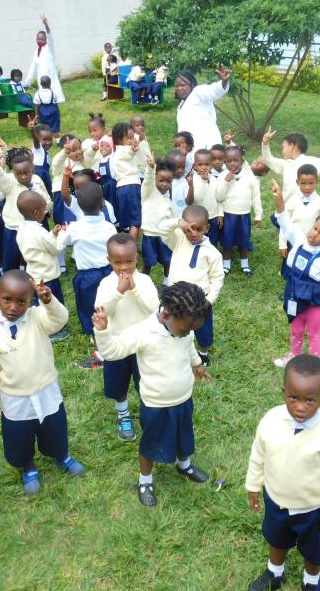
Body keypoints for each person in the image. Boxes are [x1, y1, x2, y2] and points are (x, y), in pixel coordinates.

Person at [92, 282, 212, 507]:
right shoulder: (144, 332)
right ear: (166, 314)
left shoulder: (185, 325)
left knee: (183, 436)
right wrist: (103, 331)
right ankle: (145, 481)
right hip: (156, 404)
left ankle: (183, 465)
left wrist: (197, 364)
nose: (188, 333)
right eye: (185, 329)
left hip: (184, 398)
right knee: (151, 444)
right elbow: (112, 351)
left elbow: (188, 346)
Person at [245, 355, 320, 591]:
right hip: (276, 499)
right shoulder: (271, 420)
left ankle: (311, 581)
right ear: (284, 392)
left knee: (315, 549)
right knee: (277, 539)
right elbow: (258, 453)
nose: (300, 406)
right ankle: (274, 572)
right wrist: (253, 484)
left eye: (310, 400)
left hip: (313, 508)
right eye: (293, 397)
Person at [0, 271, 85, 495]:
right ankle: (28, 467)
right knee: (19, 437)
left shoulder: (38, 317)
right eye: (7, 299)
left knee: (55, 429)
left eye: (21, 302)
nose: (13, 307)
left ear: (31, 301)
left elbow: (60, 320)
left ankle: (61, 456)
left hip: (46, 390)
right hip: (15, 399)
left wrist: (49, 302)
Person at [270, 180, 320, 367]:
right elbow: (284, 220)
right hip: (295, 296)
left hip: (315, 303)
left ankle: (313, 363)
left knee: (313, 333)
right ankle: (293, 356)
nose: (314, 234)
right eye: (315, 228)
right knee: (295, 329)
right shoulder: (300, 240)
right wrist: (279, 199)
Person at [95, 233, 160, 440]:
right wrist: (119, 292)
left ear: (137, 258)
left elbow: (153, 309)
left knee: (146, 383)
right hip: (117, 344)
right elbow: (102, 311)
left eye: (129, 261)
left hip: (143, 345)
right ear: (109, 261)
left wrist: (134, 291)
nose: (124, 267)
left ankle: (149, 415)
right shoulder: (106, 284)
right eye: (118, 262)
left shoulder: (145, 281)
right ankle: (123, 415)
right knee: (118, 385)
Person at [53, 183, 117, 366]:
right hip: (108, 272)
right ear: (102, 205)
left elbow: (59, 246)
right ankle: (112, 338)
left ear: (78, 207)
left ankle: (101, 353)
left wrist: (61, 233)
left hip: (87, 277)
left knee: (91, 310)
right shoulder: (109, 227)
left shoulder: (74, 228)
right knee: (109, 307)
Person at [159, 205, 224, 366]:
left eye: (198, 229)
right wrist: (177, 222)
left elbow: (217, 279)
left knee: (204, 331)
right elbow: (162, 229)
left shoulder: (213, 253)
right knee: (171, 326)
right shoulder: (178, 240)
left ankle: (203, 353)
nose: (193, 233)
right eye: (188, 229)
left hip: (200, 302)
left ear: (207, 228)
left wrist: (209, 300)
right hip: (176, 299)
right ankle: (173, 350)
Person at [15, 190, 69, 342]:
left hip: (35, 273)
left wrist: (52, 233)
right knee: (52, 302)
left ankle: (47, 325)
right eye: (44, 210)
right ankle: (53, 330)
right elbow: (56, 248)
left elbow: (43, 244)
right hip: (48, 275)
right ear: (36, 212)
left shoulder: (23, 229)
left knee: (41, 302)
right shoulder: (38, 232)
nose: (45, 212)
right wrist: (63, 234)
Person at [0, 148, 51, 271]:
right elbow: (1, 177)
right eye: (19, 174)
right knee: (11, 256)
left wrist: (33, 187)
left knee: (31, 255)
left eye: (26, 173)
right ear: (13, 173)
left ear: (32, 170)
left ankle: (28, 272)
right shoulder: (10, 181)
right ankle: (10, 276)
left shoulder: (37, 181)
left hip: (32, 228)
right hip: (13, 228)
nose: (23, 176)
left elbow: (47, 202)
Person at [261, 127, 320, 204]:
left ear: (292, 146)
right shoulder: (285, 165)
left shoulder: (310, 161)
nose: (282, 151)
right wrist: (265, 144)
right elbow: (268, 160)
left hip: (306, 205)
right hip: (288, 206)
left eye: (283, 147)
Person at [216, 145, 262, 276]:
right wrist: (226, 182)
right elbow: (218, 197)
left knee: (244, 241)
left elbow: (256, 196)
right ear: (225, 161)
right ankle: (226, 265)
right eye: (229, 161)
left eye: (235, 160)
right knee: (227, 241)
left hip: (243, 215)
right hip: (229, 214)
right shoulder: (222, 177)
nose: (232, 164)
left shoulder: (249, 177)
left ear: (242, 160)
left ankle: (245, 265)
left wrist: (258, 214)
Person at [278, 164, 320, 278]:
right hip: (292, 239)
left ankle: (304, 276)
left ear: (317, 181)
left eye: (311, 183)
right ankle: (289, 279)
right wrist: (282, 244)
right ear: (297, 182)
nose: (307, 187)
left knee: (306, 262)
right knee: (290, 261)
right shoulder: (292, 201)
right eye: (303, 183)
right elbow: (284, 223)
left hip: (312, 240)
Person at [175, 65, 231, 150]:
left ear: (192, 84)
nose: (179, 88)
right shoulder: (181, 104)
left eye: (183, 85)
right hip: (190, 151)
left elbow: (214, 90)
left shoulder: (199, 92)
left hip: (208, 149)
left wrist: (224, 82)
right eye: (177, 86)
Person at [139, 155, 175, 286]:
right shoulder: (148, 193)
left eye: (168, 181)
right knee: (148, 262)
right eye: (161, 180)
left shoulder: (168, 199)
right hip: (150, 236)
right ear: (155, 178)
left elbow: (172, 217)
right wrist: (150, 168)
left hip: (165, 236)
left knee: (168, 260)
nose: (165, 184)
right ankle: (143, 283)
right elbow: (147, 181)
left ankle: (167, 281)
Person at [111, 122, 144, 240]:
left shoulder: (117, 152)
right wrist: (133, 148)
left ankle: (129, 244)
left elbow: (132, 146)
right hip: (131, 187)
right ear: (120, 140)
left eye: (132, 137)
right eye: (129, 138)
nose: (132, 140)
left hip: (121, 188)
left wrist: (138, 139)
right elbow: (129, 151)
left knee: (130, 221)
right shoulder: (123, 150)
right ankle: (132, 248)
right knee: (136, 221)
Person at [24, 14, 66, 104]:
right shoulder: (36, 52)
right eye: (38, 39)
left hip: (50, 77)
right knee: (43, 99)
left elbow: (50, 36)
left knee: (53, 98)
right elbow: (32, 68)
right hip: (41, 79)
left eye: (42, 39)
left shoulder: (49, 48)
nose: (40, 41)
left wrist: (46, 24)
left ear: (46, 40)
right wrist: (27, 83)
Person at [187, 149, 222, 247]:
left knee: (213, 242)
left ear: (211, 165)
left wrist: (220, 213)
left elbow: (219, 198)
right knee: (197, 241)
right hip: (198, 218)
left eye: (206, 164)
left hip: (213, 216)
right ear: (194, 165)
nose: (203, 168)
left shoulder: (215, 179)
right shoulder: (192, 180)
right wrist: (203, 181)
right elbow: (196, 199)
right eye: (200, 164)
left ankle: (212, 260)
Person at [166, 150, 190, 219]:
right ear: (168, 167)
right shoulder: (164, 181)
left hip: (182, 218)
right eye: (177, 167)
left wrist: (191, 186)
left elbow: (189, 201)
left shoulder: (184, 182)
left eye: (183, 167)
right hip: (168, 218)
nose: (180, 170)